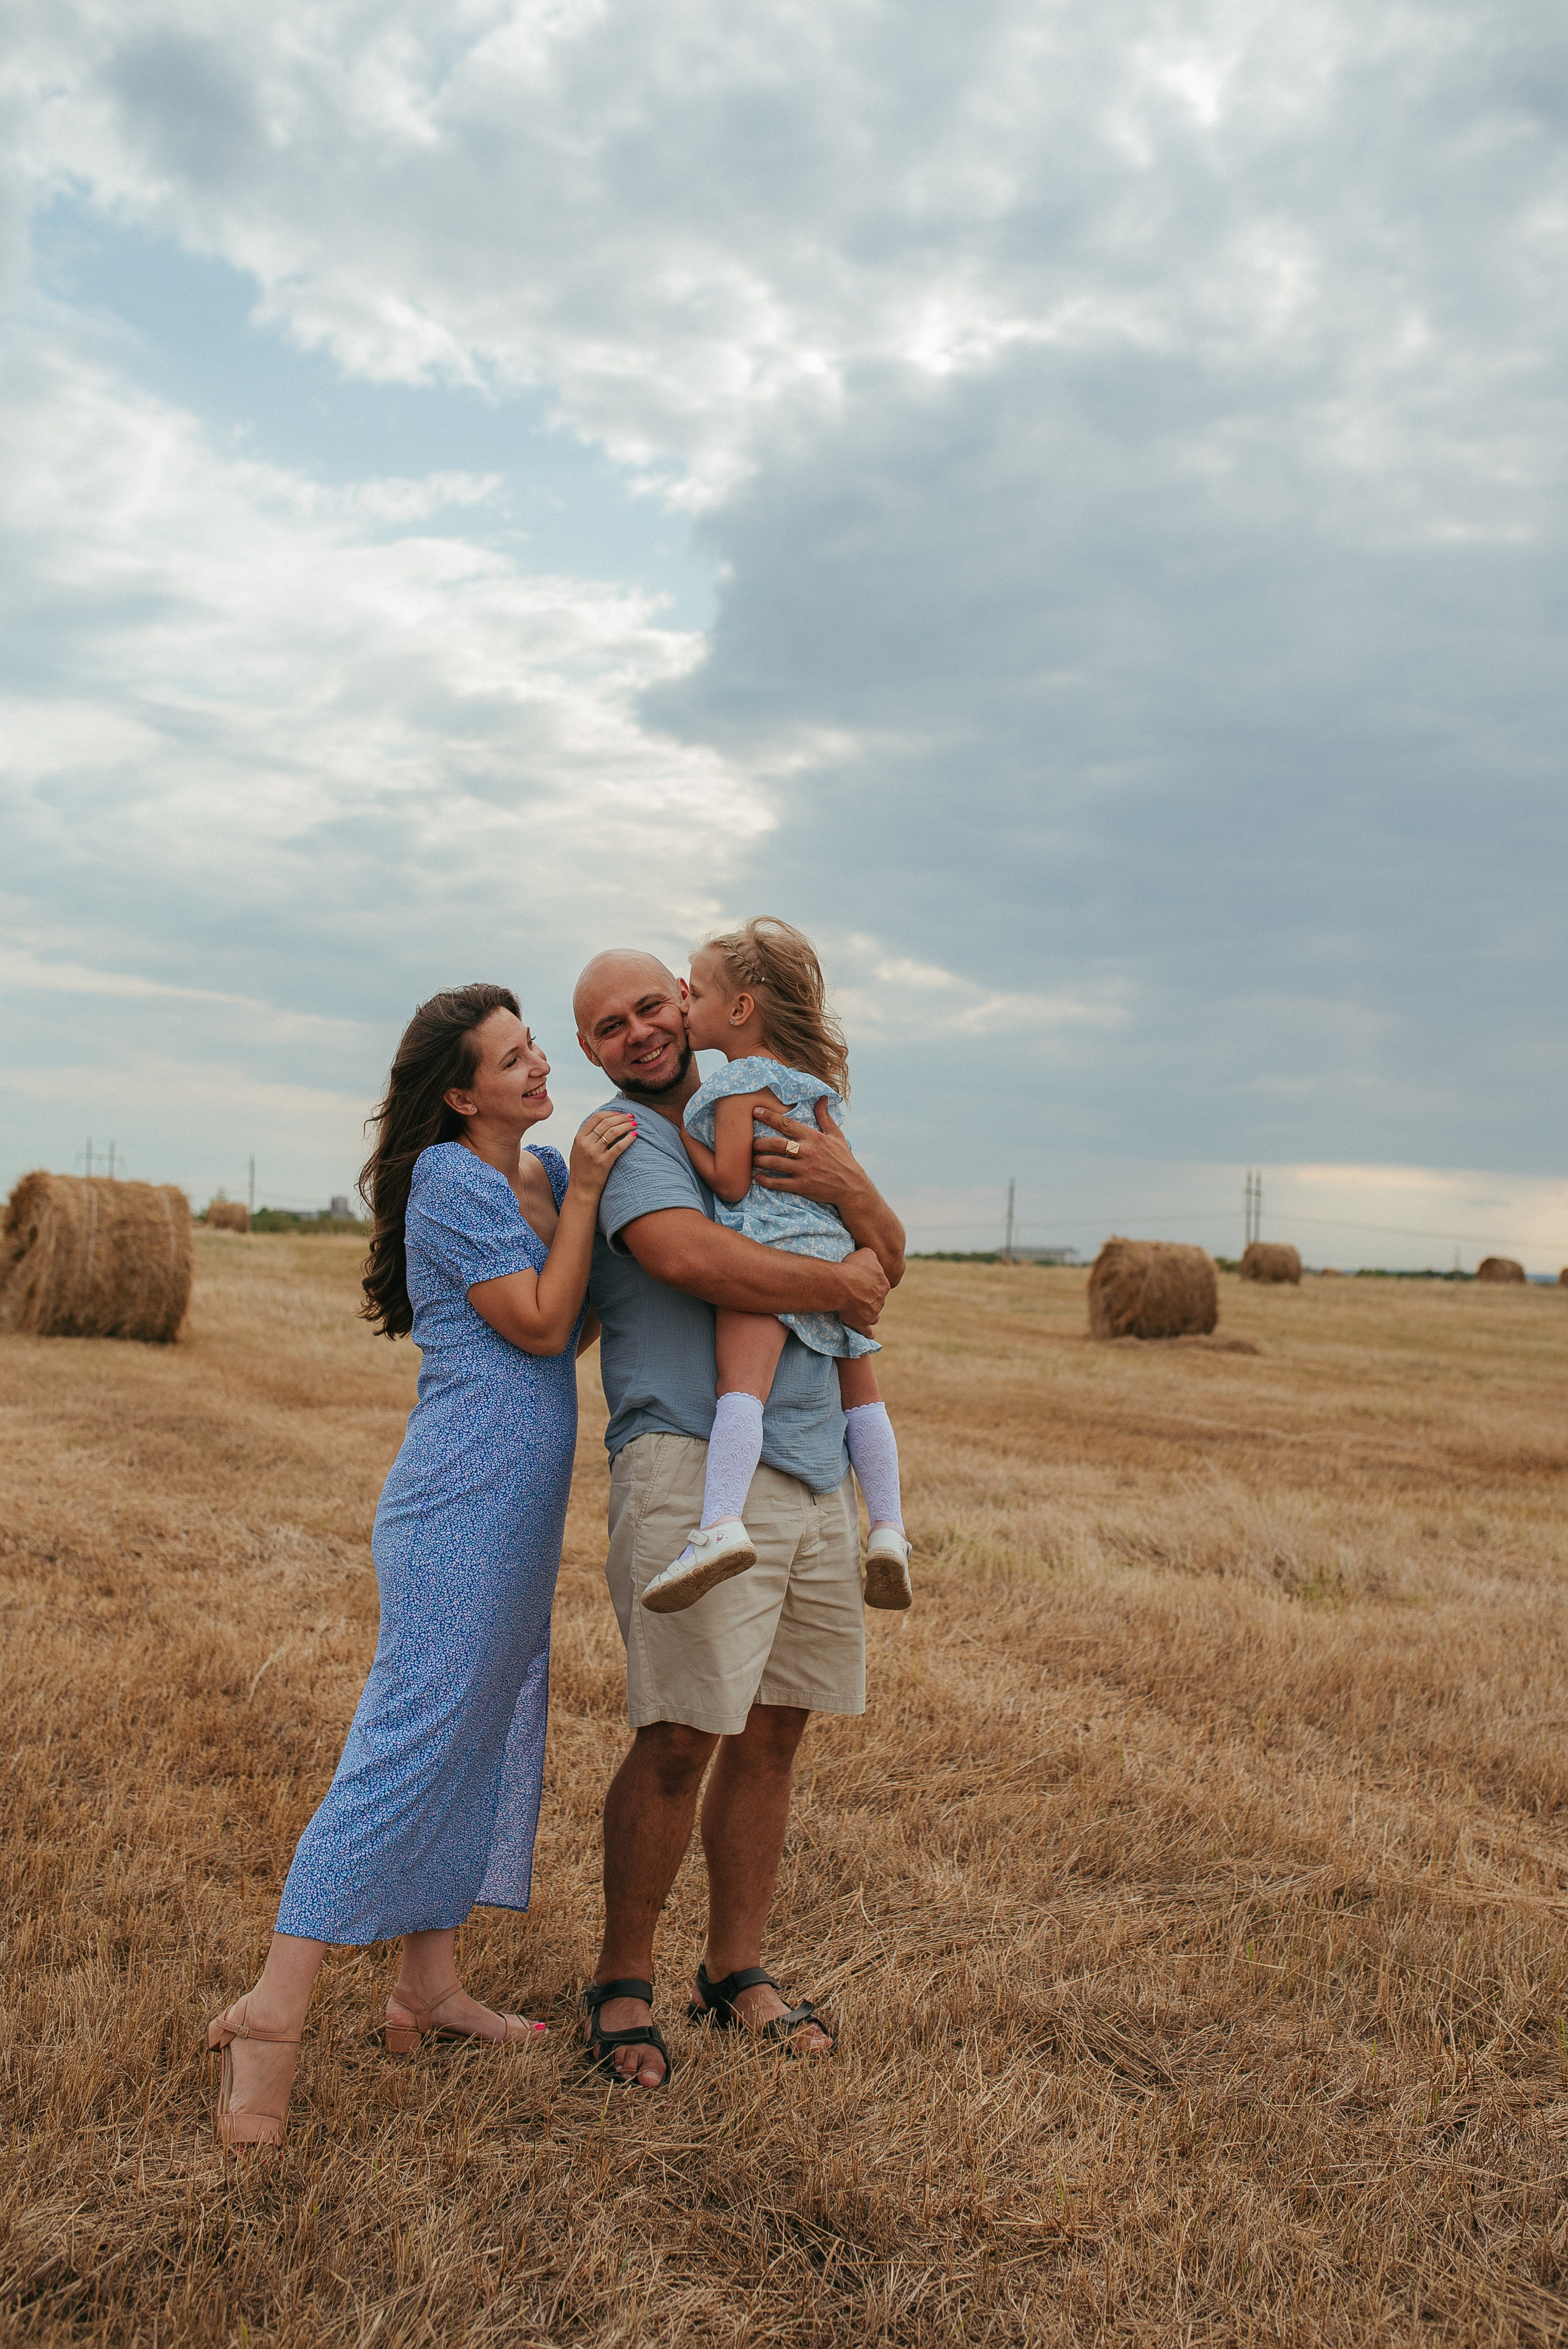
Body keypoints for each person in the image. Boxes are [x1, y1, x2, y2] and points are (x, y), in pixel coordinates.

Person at [205, 984, 635, 2151]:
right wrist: (588, 1193)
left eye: (535, 1044)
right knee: (409, 1741)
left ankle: (427, 1989)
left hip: (521, 1501)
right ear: (459, 1094)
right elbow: (544, 1328)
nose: (540, 1065)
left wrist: (580, 1197)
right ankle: (271, 2013)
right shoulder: (448, 1179)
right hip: (458, 1501)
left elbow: (575, 1317)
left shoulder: (535, 1172)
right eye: (512, 1058)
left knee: (484, 1727)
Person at [571, 948, 905, 2089]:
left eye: (651, 1005)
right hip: (688, 1458)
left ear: (693, 1003)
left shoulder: (780, 1108)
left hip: (811, 1464)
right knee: (679, 1733)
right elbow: (690, 1255)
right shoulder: (630, 1145)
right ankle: (623, 1980)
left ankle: (734, 1971)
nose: (640, 1033)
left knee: (774, 1732)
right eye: (609, 1027)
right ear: (593, 1054)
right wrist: (841, 1279)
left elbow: (889, 1257)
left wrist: (853, 1197)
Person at [645, 916, 911, 1616]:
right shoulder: (810, 1085)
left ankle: (720, 1524)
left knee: (742, 1389)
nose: (683, 1006)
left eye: (694, 994)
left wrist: (683, 1137)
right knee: (865, 1397)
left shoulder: (735, 1085)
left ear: (738, 1010)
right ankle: (887, 1532)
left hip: (770, 1251)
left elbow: (732, 1183)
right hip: (833, 1250)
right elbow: (839, 1174)